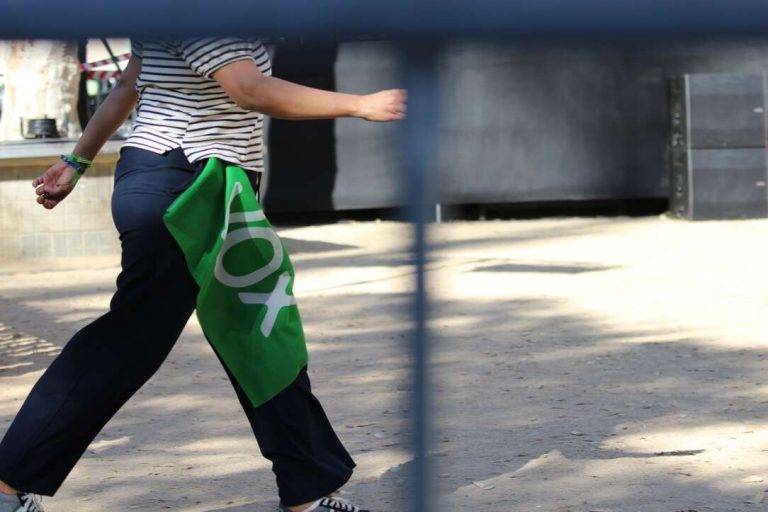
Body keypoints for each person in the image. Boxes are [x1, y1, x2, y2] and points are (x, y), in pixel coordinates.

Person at [0, 37, 406, 512]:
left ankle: (308, 492)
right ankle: (7, 484)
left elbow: (131, 81)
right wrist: (361, 105)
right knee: (129, 342)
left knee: (259, 332)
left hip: (203, 184)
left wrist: (77, 160)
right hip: (187, 184)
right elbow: (248, 89)